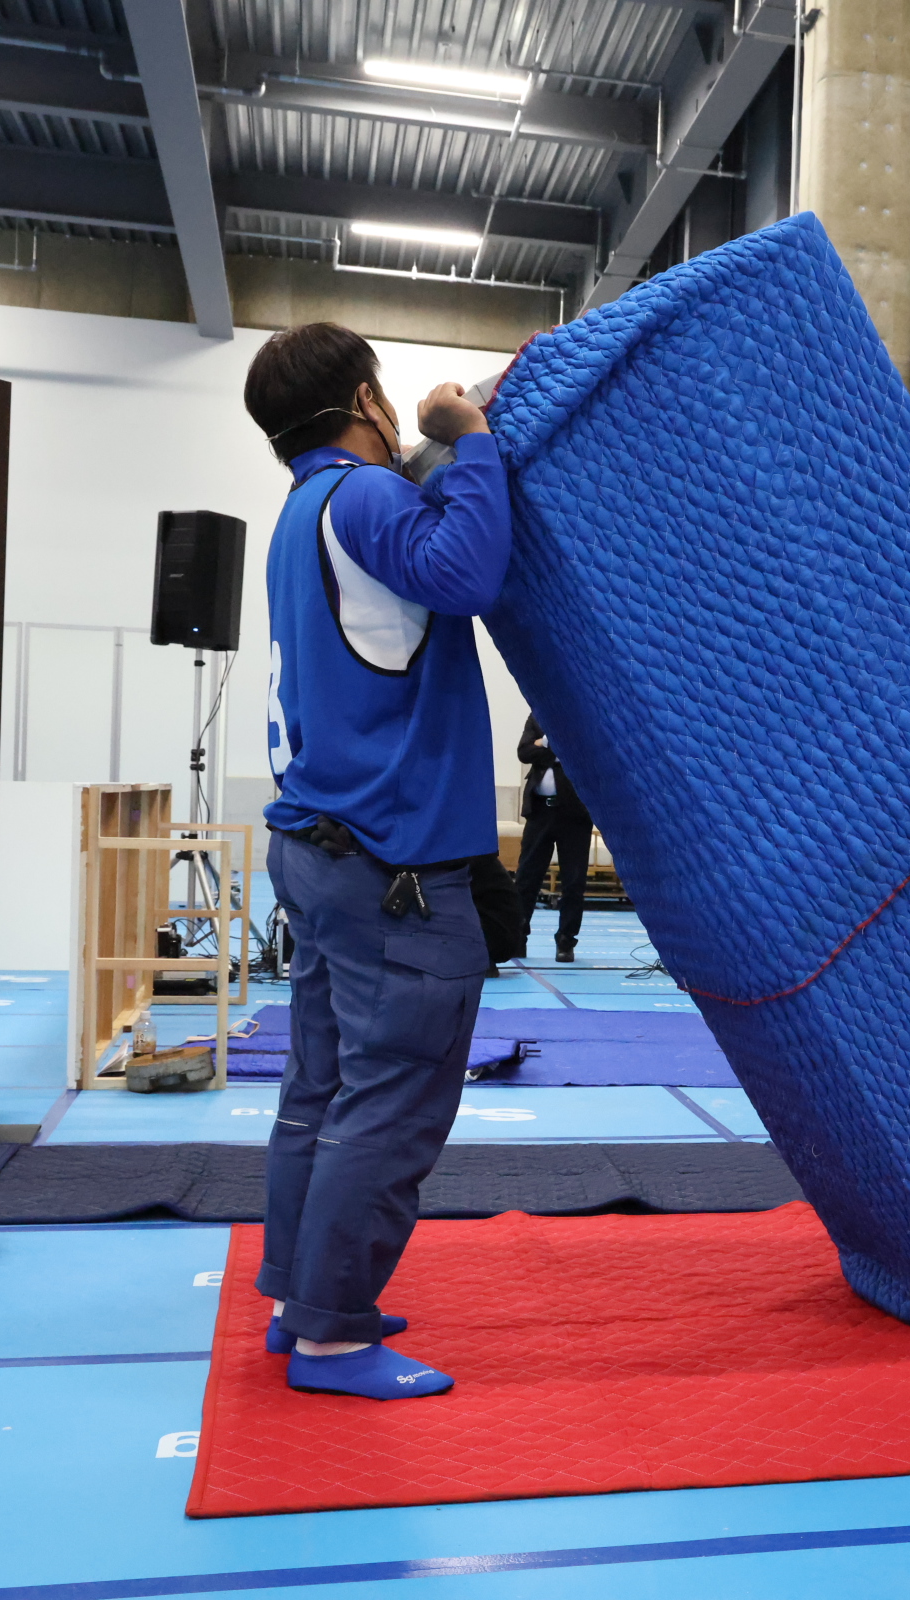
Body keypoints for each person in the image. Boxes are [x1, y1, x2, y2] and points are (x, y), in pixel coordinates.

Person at [244, 322, 511, 1399]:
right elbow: (470, 571)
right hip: (391, 861)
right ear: (366, 397)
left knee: (320, 1086)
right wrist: (473, 438)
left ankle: (297, 1299)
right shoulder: (366, 499)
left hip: (317, 846)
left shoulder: (302, 511)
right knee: (393, 1098)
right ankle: (334, 1335)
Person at [513, 713, 594, 962]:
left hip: (574, 815)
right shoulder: (537, 717)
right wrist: (552, 745)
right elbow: (524, 752)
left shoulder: (584, 719)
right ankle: (517, 937)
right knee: (526, 878)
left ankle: (566, 941)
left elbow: (583, 754)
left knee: (573, 882)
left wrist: (545, 745)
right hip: (540, 812)